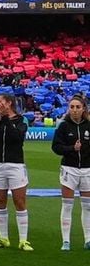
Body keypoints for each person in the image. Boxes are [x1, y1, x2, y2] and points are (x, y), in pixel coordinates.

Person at [0, 91, 31, 251]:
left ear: (9, 103)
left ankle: (23, 240)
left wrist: (5, 120)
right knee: (0, 201)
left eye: (0, 101)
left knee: (19, 201)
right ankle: (3, 238)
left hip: (16, 164)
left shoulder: (21, 120)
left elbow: (17, 137)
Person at [51, 92, 90, 251]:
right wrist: (71, 149)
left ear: (83, 109)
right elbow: (56, 147)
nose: (74, 110)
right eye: (72, 107)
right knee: (67, 205)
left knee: (87, 206)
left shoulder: (88, 126)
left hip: (87, 170)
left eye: (78, 107)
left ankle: (88, 239)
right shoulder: (63, 126)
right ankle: (65, 241)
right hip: (69, 169)